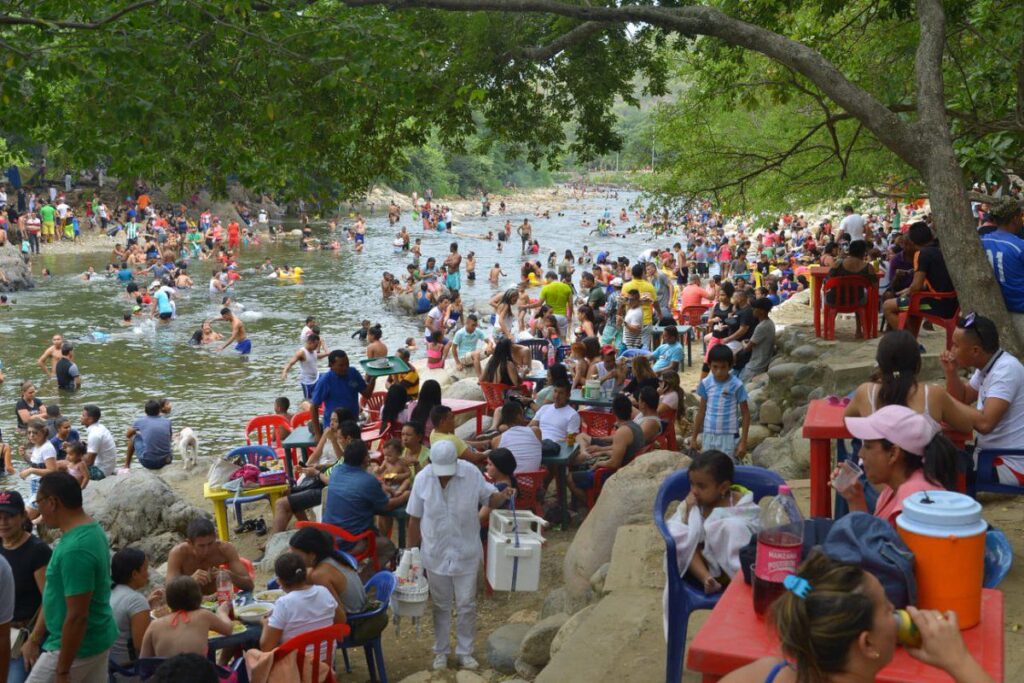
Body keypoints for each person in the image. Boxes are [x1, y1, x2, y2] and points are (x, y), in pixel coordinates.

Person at [720, 550, 995, 683]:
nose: (898, 612)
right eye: (888, 609)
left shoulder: (765, 673)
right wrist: (959, 662)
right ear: (867, 644)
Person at [407, 440, 513, 671]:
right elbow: (414, 519)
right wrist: (410, 552)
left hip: (465, 550)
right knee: (441, 605)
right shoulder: (423, 479)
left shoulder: (471, 474)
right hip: (435, 553)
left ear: (456, 462)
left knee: (467, 604)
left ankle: (465, 651)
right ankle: (441, 652)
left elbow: (489, 498)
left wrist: (502, 495)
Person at [23, 472, 118, 683]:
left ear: (52, 502)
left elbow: (77, 616)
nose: (37, 509)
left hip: (75, 648)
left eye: (38, 502)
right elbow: (54, 594)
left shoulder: (75, 549)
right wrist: (35, 638)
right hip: (97, 638)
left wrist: (63, 670)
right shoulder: (91, 529)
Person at [839, 405, 958, 526]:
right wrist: (855, 498)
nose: (860, 454)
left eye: (868, 446)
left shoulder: (912, 503)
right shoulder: (892, 489)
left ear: (893, 453)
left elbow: (868, 543)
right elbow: (869, 539)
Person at [941, 313, 1024, 486]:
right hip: (987, 455)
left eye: (956, 345)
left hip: (1008, 465)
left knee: (936, 469)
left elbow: (986, 423)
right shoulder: (987, 365)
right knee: (934, 453)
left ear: (976, 351)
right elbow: (963, 397)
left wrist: (942, 400)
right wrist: (951, 372)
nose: (951, 349)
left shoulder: (1006, 370)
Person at [664, 450, 760, 594]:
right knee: (680, 538)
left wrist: (720, 528)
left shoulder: (740, 505)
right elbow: (680, 528)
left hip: (737, 562)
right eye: (692, 484)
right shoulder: (694, 504)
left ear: (723, 487)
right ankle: (707, 579)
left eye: (701, 486)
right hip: (708, 564)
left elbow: (752, 529)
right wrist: (689, 512)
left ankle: (741, 578)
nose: (694, 491)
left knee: (732, 527)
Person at [323, 440, 404, 567]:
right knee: (388, 548)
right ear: (365, 459)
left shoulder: (337, 471)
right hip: (350, 542)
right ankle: (364, 580)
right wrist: (405, 496)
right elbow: (387, 505)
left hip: (329, 538)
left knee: (376, 531)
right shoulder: (367, 480)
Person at [0, 490, 52, 683]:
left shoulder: (37, 551)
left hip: (23, 636)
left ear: (23, 516)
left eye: (9, 516)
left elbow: (49, 599)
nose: (3, 522)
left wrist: (34, 641)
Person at [259, 552, 345, 653]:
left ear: (279, 581)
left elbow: (266, 647)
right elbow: (341, 620)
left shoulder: (284, 603)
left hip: (295, 666)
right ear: (305, 573)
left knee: (252, 654)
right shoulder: (324, 591)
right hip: (325, 664)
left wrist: (266, 624)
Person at [882, 222, 958, 332]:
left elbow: (916, 286)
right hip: (952, 304)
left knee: (888, 306)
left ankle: (909, 341)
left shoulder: (921, 254)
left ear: (912, 242)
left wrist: (906, 292)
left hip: (934, 306)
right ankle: (911, 339)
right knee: (909, 306)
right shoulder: (941, 250)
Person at [570, 394, 646, 502]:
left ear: (613, 412)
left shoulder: (622, 432)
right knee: (584, 461)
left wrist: (598, 464)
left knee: (569, 478)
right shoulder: (636, 427)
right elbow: (622, 452)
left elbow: (615, 463)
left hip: (614, 474)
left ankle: (591, 506)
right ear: (630, 410)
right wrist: (601, 452)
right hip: (628, 468)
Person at [139, 576, 233, 658]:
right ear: (199, 597)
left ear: (169, 601)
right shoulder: (203, 615)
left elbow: (144, 660)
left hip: (167, 677)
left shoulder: (154, 625)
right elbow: (228, 629)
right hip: (200, 676)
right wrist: (222, 612)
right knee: (231, 674)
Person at [109, 548, 163, 681]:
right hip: (130, 671)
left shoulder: (112, 592)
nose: (148, 575)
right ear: (134, 574)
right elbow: (143, 647)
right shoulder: (135, 600)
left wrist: (146, 607)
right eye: (145, 570)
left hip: (111, 668)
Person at [165, 518, 254, 594]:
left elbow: (250, 585)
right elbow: (168, 593)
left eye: (210, 543)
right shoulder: (178, 553)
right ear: (190, 543)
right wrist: (190, 582)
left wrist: (229, 575)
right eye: (201, 546)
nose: (206, 550)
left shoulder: (225, 549)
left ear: (215, 537)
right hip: (190, 604)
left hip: (219, 600)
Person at [691, 345, 750, 461]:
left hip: (729, 437)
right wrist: (693, 438)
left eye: (723, 367)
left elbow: (746, 414)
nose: (719, 371)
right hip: (709, 434)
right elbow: (701, 412)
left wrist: (743, 442)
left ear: (730, 366)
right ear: (709, 366)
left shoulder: (737, 385)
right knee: (709, 468)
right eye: (715, 367)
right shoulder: (705, 383)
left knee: (727, 468)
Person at [289, 527, 367, 613]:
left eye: (297, 556)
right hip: (361, 604)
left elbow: (338, 613)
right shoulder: (331, 557)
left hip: (354, 617)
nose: (294, 559)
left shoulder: (319, 574)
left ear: (312, 555)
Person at [979, 197, 1024, 336]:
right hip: (1020, 310)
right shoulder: (1019, 246)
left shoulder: (981, 242)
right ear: (1015, 218)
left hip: (996, 310)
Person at [310, 350, 374, 440]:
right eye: (341, 365)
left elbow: (367, 394)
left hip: (352, 425)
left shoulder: (353, 373)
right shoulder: (325, 381)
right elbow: (313, 407)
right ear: (331, 365)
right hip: (333, 428)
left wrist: (374, 377)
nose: (345, 368)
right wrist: (318, 434)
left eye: (347, 364)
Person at [19, 419, 57, 519]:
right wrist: (24, 456)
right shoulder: (37, 446)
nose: (31, 435)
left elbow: (52, 471)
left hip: (43, 489)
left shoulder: (47, 448)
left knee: (24, 519)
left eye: (35, 433)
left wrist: (30, 470)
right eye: (29, 433)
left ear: (44, 432)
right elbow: (36, 465)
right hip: (35, 488)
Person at [495, 401, 543, 471]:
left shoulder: (496, 440)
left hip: (510, 480)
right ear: (519, 416)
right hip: (533, 479)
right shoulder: (536, 431)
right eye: (523, 414)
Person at [738, 298, 776, 382]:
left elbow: (747, 348)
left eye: (755, 308)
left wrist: (743, 343)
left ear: (761, 311)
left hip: (756, 366)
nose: (753, 310)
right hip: (761, 363)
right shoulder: (770, 323)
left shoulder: (761, 327)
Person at [281, 333, 327, 399]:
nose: (316, 347)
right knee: (308, 400)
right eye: (316, 345)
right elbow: (291, 363)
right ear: (310, 342)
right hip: (307, 382)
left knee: (320, 394)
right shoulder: (301, 352)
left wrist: (327, 354)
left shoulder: (313, 350)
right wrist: (284, 371)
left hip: (316, 377)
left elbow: (316, 356)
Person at [81, 404, 118, 479]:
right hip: (108, 466)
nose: (80, 417)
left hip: (101, 471)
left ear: (90, 419)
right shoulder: (100, 427)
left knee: (68, 468)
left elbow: (89, 462)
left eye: (83, 415)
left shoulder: (94, 434)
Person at [539, 271, 573, 339]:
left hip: (550, 317)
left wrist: (526, 306)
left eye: (547, 279)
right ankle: (563, 349)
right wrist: (569, 317)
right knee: (563, 338)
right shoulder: (567, 287)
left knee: (548, 337)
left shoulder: (546, 288)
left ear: (550, 278)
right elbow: (570, 304)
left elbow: (539, 303)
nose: (547, 281)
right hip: (563, 317)